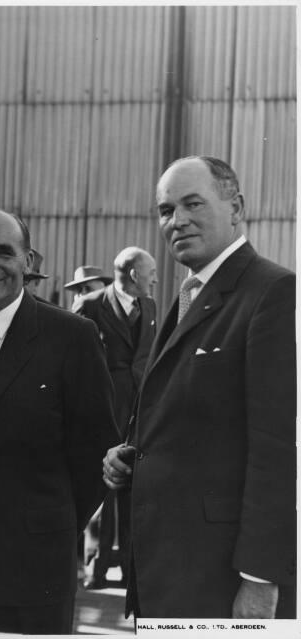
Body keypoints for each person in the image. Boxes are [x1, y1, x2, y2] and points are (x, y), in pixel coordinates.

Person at [103, 156, 296, 619]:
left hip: (219, 581)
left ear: (236, 208)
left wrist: (259, 582)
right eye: (167, 210)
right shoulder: (189, 295)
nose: (178, 221)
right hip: (169, 571)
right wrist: (133, 454)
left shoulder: (272, 292)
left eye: (193, 204)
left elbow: (277, 448)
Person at [0, 208, 118, 634]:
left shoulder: (72, 336)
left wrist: (50, 522)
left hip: (34, 570)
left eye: (3, 253)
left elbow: (96, 454)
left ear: (28, 262)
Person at [74, 247, 158, 590]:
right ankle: (96, 567)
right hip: (103, 411)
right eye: (150, 272)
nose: (155, 278)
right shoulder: (91, 305)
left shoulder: (150, 306)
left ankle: (127, 568)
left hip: (140, 412)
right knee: (102, 488)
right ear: (134, 275)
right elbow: (74, 361)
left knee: (133, 487)